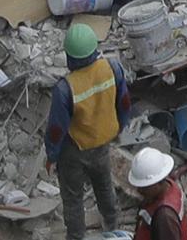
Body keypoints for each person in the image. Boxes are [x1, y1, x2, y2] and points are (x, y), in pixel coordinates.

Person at [45, 22, 131, 240]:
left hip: (74, 150)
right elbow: (124, 102)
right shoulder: (112, 68)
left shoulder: (65, 88)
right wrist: (120, 126)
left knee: (73, 198)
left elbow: (57, 129)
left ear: (69, 57)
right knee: (104, 186)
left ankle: (76, 236)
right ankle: (112, 228)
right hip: (101, 143)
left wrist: (52, 156)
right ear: (95, 50)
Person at [125, 146, 187, 240]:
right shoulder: (169, 185)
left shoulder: (165, 217)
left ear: (157, 183)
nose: (139, 190)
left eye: (145, 187)